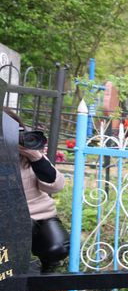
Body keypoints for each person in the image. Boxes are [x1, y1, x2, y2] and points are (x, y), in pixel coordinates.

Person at [3, 108, 69, 272]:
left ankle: (45, 272)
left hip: (38, 215)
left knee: (58, 247)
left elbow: (56, 185)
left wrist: (35, 157)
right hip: (8, 219)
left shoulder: (29, 156)